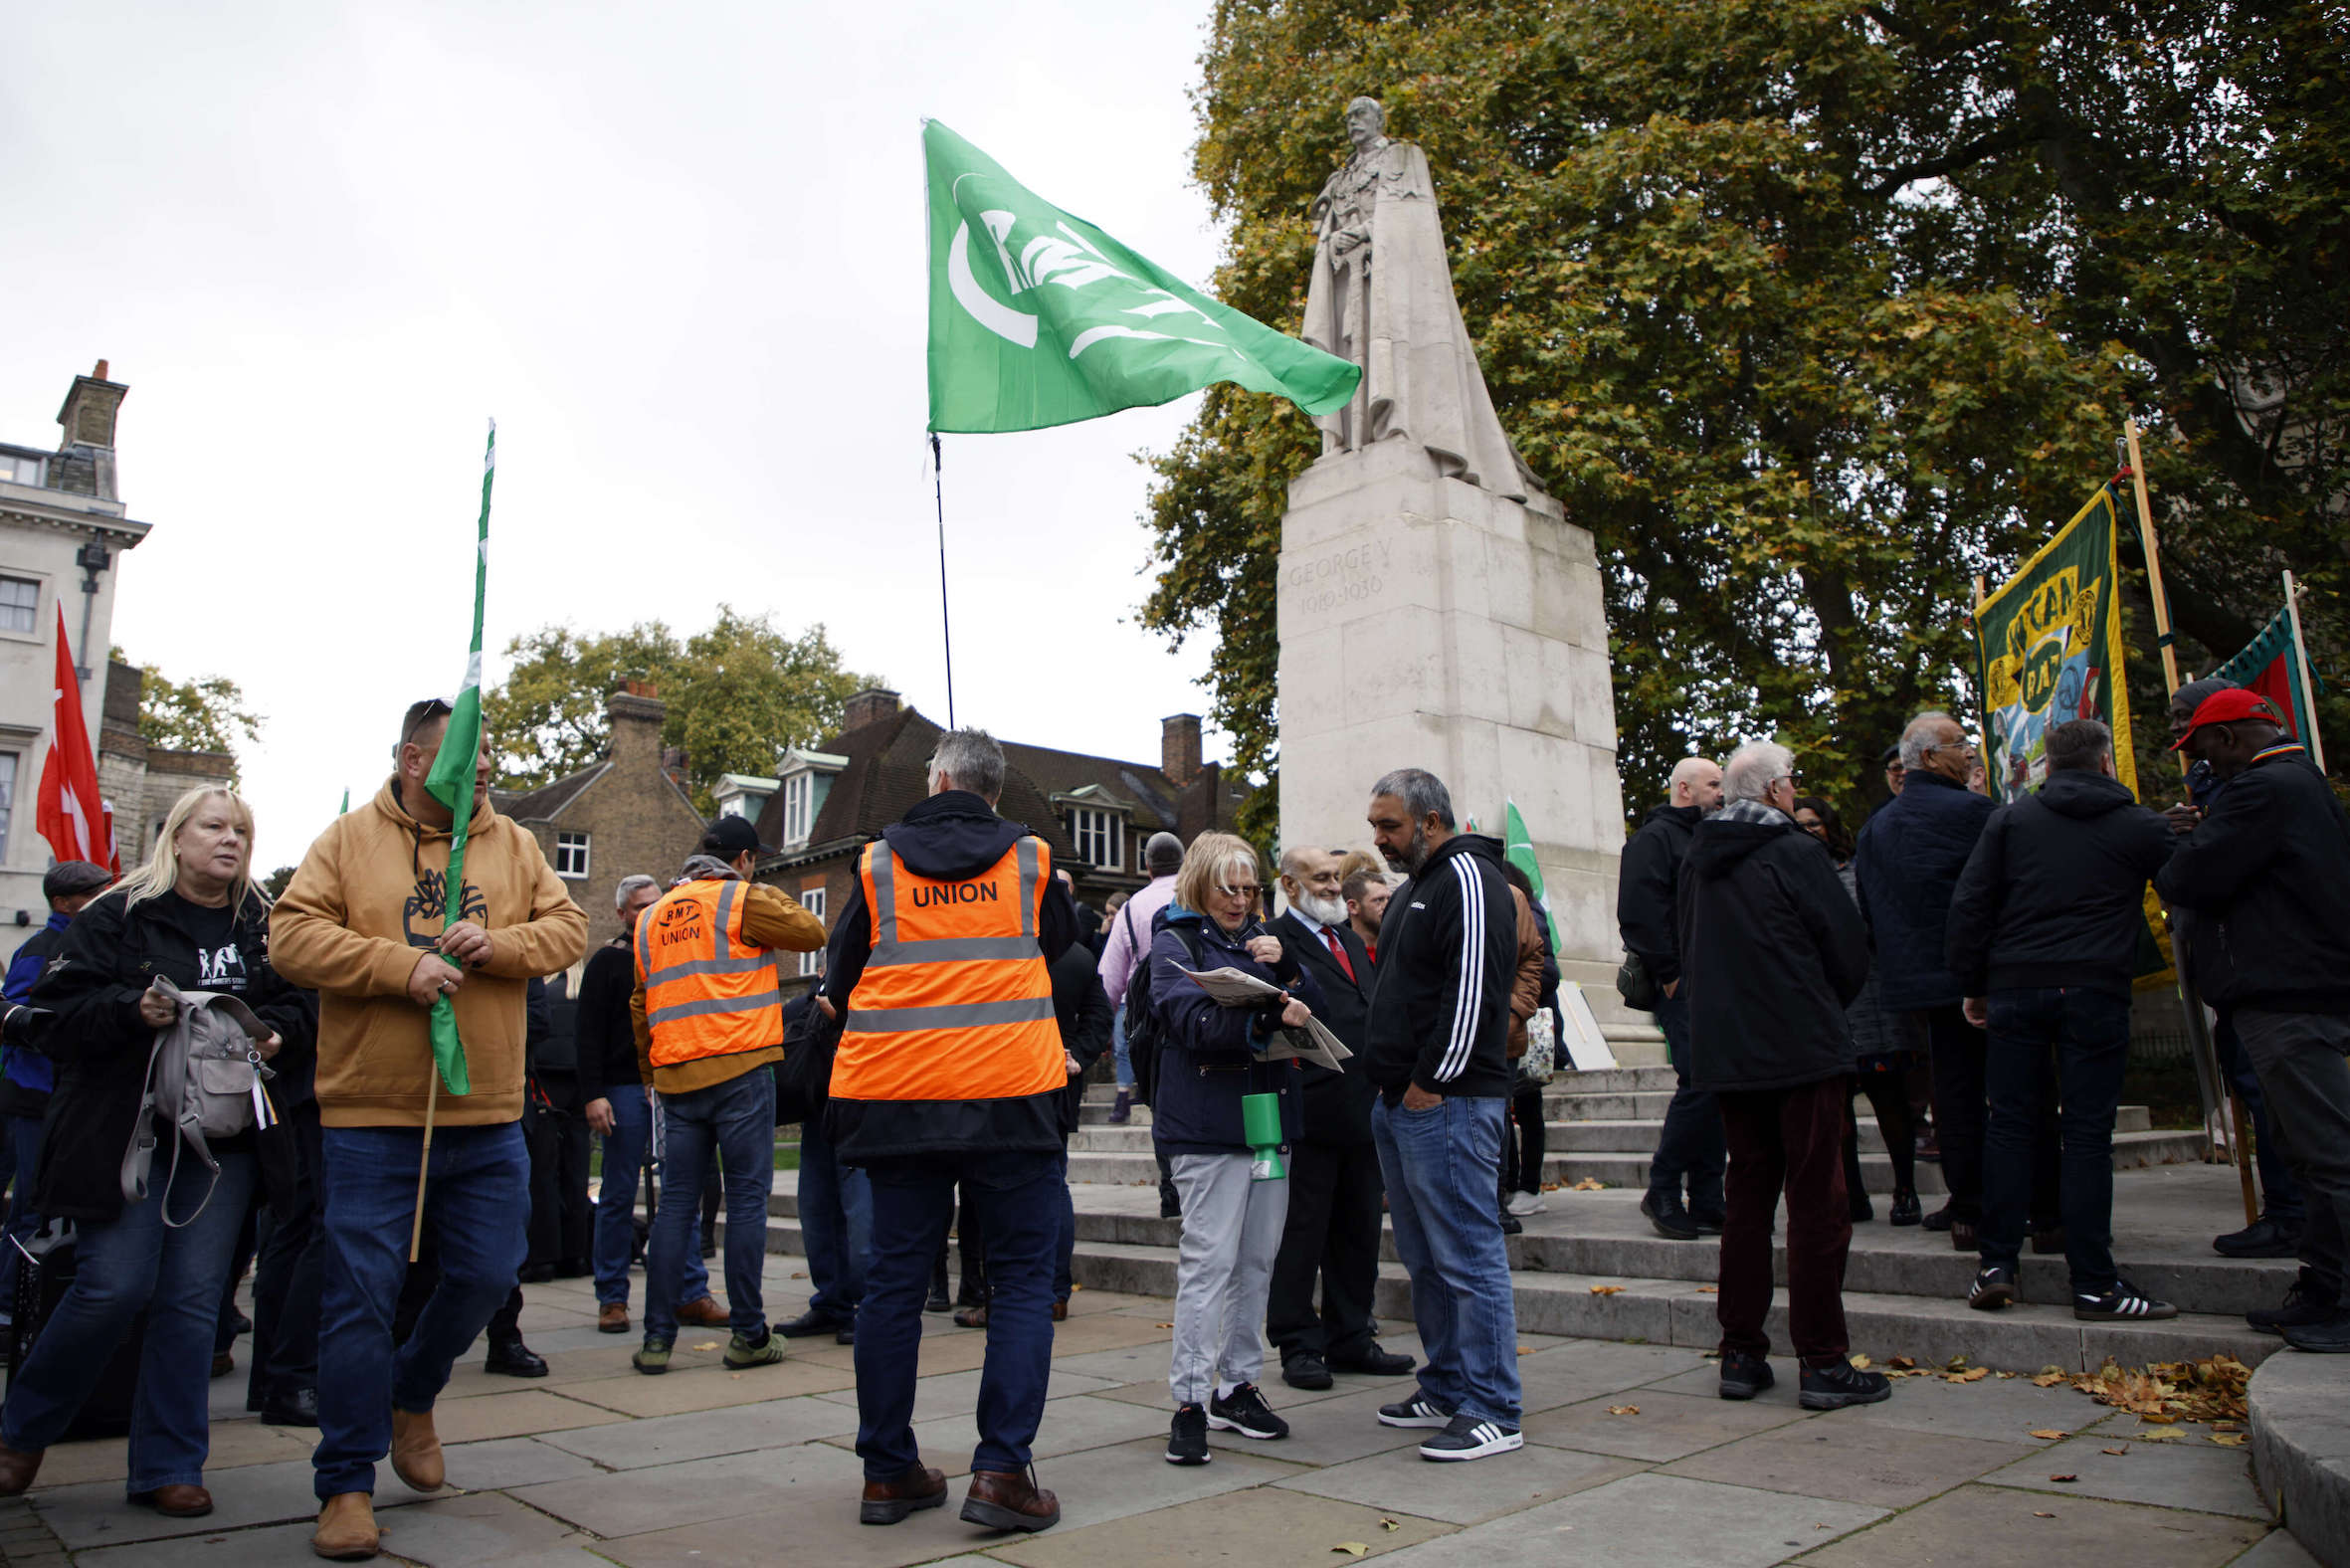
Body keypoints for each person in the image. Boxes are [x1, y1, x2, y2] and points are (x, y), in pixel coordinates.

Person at [273, 696, 588, 1560]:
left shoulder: (517, 844)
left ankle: (413, 1392)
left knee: (489, 1275)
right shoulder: (344, 842)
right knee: (358, 1301)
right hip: (373, 1114)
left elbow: (568, 927)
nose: (483, 767)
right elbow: (291, 938)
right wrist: (393, 966)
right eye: (464, 755)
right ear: (415, 761)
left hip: (486, 1110)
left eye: (488, 754)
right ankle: (344, 1482)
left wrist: (500, 945)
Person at [0, 787, 313, 1515]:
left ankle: (170, 1465)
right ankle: (22, 1431)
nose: (229, 839)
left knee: (193, 1303)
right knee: (112, 1288)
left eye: (241, 829)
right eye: (213, 826)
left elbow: (306, 1003)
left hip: (222, 1144)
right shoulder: (118, 914)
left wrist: (275, 1030)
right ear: (177, 838)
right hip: (127, 1136)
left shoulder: (262, 924)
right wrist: (129, 1010)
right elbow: (54, 1016)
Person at [820, 728, 1078, 1532]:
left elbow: (839, 976)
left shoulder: (875, 864)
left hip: (899, 1097)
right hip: (1012, 1095)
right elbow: (1064, 948)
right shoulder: (1032, 862)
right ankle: (1002, 1474)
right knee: (1024, 1284)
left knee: (893, 1287)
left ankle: (888, 1473)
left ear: (934, 782)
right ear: (994, 791)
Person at [1945, 718, 2181, 1321]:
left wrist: (1974, 984)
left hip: (2017, 985)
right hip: (2095, 987)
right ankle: (2094, 1282)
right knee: (2085, 1136)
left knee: (2009, 1126)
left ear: (2047, 764)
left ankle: (1996, 1264)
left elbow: (1971, 903)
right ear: (2106, 762)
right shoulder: (2138, 825)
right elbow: (2189, 885)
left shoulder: (2011, 820)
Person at [1678, 744, 1885, 1412]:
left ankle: (1740, 1352)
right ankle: (1823, 1359)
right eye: (1792, 783)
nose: (1797, 794)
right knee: (1817, 1202)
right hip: (1799, 1045)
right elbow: (1847, 945)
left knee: (1747, 1200)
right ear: (1772, 792)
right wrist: (1822, 1003)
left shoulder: (1698, 861)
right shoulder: (1795, 851)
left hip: (1733, 1054)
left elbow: (1689, 947)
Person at [2157, 688, 2350, 1353]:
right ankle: (2324, 1289)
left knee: (2329, 1154)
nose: (2199, 762)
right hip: (2302, 988)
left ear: (2233, 738)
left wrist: (2180, 844)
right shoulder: (2301, 783)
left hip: (2284, 995)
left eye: (2201, 746)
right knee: (2312, 1152)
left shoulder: (2260, 792)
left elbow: (2189, 879)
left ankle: (2341, 1298)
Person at [1362, 768, 1524, 1462]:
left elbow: (1476, 991)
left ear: (1431, 821)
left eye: (1390, 826)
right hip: (1403, 1102)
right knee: (1428, 1259)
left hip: (1448, 1102)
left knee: (1466, 1257)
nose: (1379, 840)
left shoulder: (1469, 878)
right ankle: (1449, 1383)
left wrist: (1432, 1080)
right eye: (1376, 827)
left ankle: (1494, 1407)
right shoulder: (1417, 888)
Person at [628, 816, 825, 1375]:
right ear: (743, 859)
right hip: (740, 1072)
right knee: (743, 1204)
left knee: (675, 1211)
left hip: (676, 1079)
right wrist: (752, 886)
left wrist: (651, 1070)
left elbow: (641, 1004)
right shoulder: (740, 901)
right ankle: (749, 1334)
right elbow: (811, 931)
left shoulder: (651, 918)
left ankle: (657, 1339)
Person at [1149, 834, 1317, 1464]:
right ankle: (1190, 1400)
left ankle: (1238, 1385)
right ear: (1199, 882)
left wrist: (1287, 969)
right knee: (1209, 1265)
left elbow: (1316, 1009)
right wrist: (1268, 1007)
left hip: (1268, 1122)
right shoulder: (1175, 942)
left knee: (1257, 1264)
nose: (1241, 900)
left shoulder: (1268, 942)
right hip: (1206, 1128)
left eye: (1250, 889)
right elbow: (1192, 1021)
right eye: (1229, 887)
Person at [1854, 711, 2017, 1249]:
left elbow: (1871, 912)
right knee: (2010, 1090)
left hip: (1918, 986)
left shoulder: (1876, 827)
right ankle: (2024, 1203)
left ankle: (1966, 1203)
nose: (1969, 752)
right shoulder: (1977, 813)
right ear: (1928, 758)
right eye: (1958, 744)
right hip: (1986, 979)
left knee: (1953, 1090)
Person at [2166, 678, 2307, 1260]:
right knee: (2263, 1096)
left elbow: (2201, 871)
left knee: (2287, 1110)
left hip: (2270, 976)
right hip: (2238, 970)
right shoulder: (2225, 781)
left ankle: (2295, 1218)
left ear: (2222, 731)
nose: (2177, 732)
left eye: (2185, 721)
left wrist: (2196, 843)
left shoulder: (2259, 789)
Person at [1263, 848, 1411, 1394]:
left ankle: (1351, 1334)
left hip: (1365, 1108)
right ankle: (1298, 1342)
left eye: (1333, 878)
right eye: (1320, 878)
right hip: (1310, 1109)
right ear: (1289, 884)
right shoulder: (1274, 940)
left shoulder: (1347, 937)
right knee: (1303, 1232)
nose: (1331, 886)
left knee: (1358, 1229)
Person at [577, 876, 723, 1335]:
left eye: (657, 904)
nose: (650, 912)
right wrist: (593, 1094)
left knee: (680, 1192)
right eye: (641, 907)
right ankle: (613, 1296)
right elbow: (588, 1033)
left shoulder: (674, 954)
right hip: (622, 1087)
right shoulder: (607, 962)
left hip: (670, 1083)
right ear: (623, 913)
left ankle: (690, 1291)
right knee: (620, 1193)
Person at [1794, 797, 1919, 1227]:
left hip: (1873, 1003)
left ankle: (1906, 1188)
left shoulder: (1856, 869)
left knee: (1890, 1103)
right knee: (1837, 1111)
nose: (1809, 830)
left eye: (1815, 824)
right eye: (1801, 825)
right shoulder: (1793, 875)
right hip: (1826, 1009)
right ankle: (1853, 1194)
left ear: (1829, 826)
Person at [1617, 755, 1726, 1241]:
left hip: (1716, 978)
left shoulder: (1708, 834)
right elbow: (1638, 912)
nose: (1722, 791)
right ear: (1685, 789)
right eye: (1713, 783)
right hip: (1684, 982)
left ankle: (1707, 1194)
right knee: (1701, 1080)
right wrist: (1671, 974)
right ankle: (1662, 1188)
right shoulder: (1654, 839)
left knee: (1716, 1083)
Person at [0, 861, 113, 1256]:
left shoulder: (98, 944)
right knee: (30, 1209)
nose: (102, 899)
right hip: (33, 1097)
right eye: (91, 893)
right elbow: (12, 1016)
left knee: (55, 1209)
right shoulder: (39, 950)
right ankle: (8, 1304)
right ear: (62, 903)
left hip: (74, 1097)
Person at [1048, 873, 1115, 1318]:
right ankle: (1055, 1289)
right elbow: (1100, 1015)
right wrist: (1079, 1056)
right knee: (1054, 1185)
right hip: (1059, 1087)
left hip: (1010, 1090)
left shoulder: (1012, 954)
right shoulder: (1078, 957)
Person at [1099, 831, 1186, 1130]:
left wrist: (1103, 1027)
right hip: (1195, 1003)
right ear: (1184, 862)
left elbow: (1111, 976)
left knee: (1155, 1091)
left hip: (1145, 1011)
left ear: (1148, 866)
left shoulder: (1131, 907)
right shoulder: (1197, 897)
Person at [1497, 861, 1559, 1226]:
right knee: (1507, 1110)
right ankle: (1513, 1183)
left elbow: (1546, 970)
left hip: (1527, 1026)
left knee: (1527, 1108)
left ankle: (1529, 1186)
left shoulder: (1528, 912)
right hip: (1512, 1025)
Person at [1340, 863, 1391, 961]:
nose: (1387, 905)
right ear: (1353, 907)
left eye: (1389, 899)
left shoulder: (1400, 946)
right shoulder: (1341, 956)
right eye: (1378, 900)